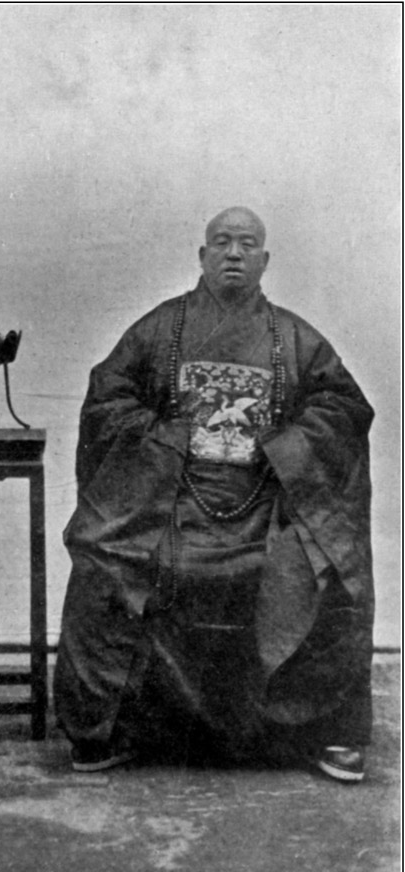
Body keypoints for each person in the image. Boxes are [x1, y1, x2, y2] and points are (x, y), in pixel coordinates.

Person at [54, 208, 375, 783]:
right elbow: (108, 401)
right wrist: (171, 439)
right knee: (106, 562)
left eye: (247, 244)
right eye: (222, 242)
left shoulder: (296, 339)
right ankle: (108, 729)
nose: (233, 253)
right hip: (169, 503)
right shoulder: (159, 330)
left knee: (330, 566)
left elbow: (343, 409)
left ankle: (321, 731)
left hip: (267, 506)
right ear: (202, 256)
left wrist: (283, 446)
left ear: (264, 260)